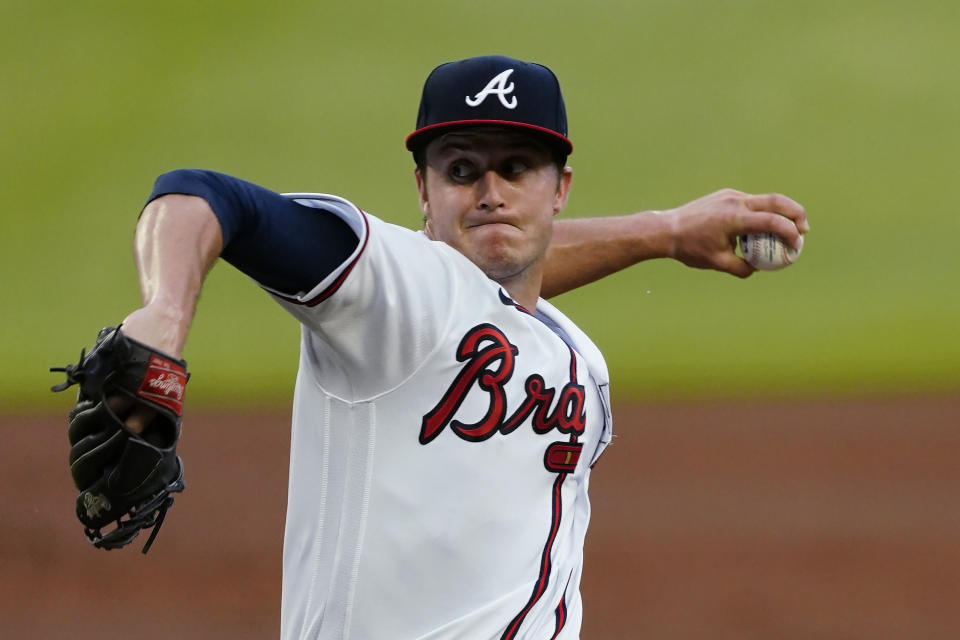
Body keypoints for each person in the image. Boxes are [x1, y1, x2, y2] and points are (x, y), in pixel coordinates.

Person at [117, 55, 807, 638]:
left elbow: (499, 289)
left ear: (560, 188)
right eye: (461, 170)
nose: (490, 192)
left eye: (516, 167)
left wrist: (665, 232)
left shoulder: (571, 351)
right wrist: (164, 320)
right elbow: (203, 197)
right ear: (422, 189)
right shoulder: (387, 292)